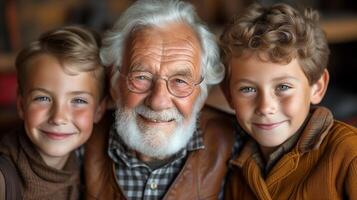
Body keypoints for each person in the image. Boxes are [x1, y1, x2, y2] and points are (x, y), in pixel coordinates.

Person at [84, 0, 236, 199]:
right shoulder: (79, 143)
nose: (158, 101)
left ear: (201, 92)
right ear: (114, 83)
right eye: (141, 77)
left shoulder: (236, 147)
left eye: (180, 81)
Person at [220, 3, 357, 199]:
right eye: (248, 89)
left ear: (317, 88)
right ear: (229, 95)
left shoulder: (350, 154)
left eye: (283, 87)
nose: (266, 107)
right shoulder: (235, 168)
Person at [0, 26, 106, 199]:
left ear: (99, 110)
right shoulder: (4, 180)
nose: (58, 118)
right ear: (21, 105)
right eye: (43, 98)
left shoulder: (87, 169)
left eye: (78, 101)